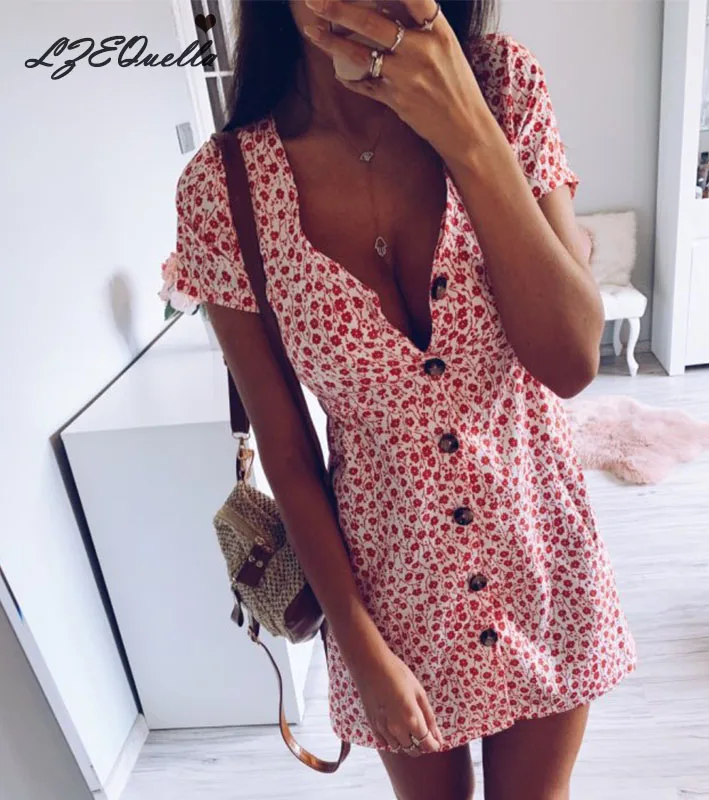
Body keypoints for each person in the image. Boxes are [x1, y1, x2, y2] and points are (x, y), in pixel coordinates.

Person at [171, 1, 636, 797]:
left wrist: (466, 132)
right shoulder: (225, 190)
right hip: (389, 589)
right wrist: (358, 648)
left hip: (540, 549)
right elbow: (287, 447)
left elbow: (570, 362)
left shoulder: (501, 88)